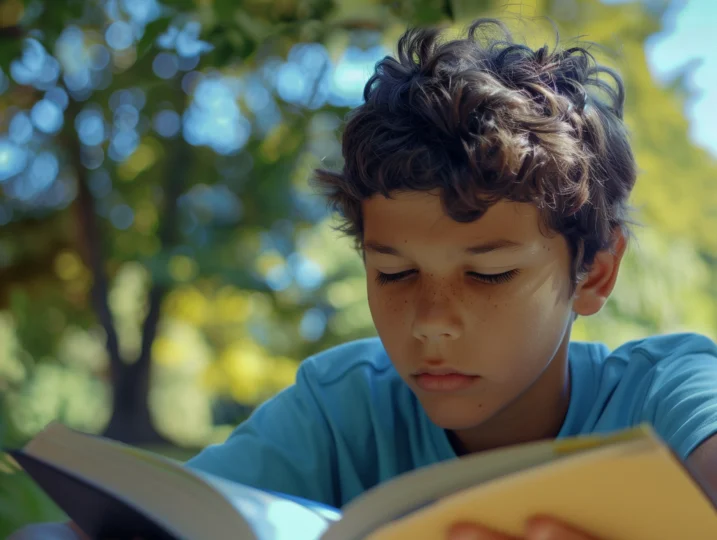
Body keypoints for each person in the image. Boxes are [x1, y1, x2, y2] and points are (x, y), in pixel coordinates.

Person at [10, 16, 717, 540]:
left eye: (490, 274)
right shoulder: (344, 405)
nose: (430, 320)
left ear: (594, 271)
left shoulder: (671, 390)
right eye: (394, 271)